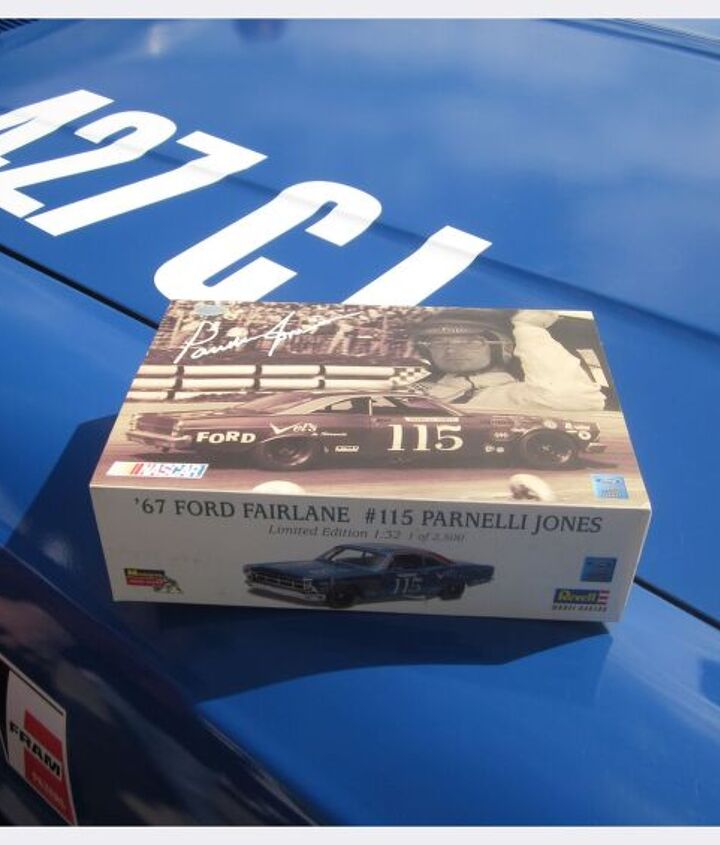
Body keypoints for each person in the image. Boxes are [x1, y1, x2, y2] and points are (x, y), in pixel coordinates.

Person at [411, 309, 606, 411]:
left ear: (504, 347)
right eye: (438, 342)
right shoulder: (420, 390)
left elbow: (573, 397)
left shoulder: (519, 395)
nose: (451, 349)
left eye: (473, 341)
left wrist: (528, 329)